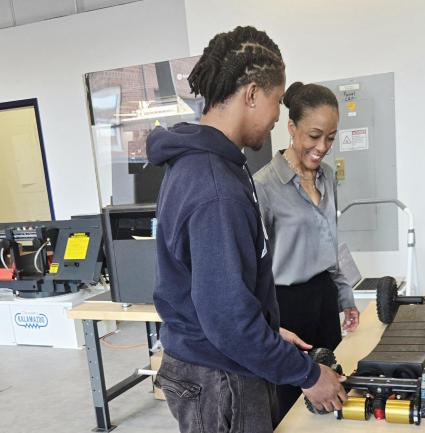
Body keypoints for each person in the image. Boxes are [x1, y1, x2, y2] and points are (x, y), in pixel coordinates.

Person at [147, 27, 346, 433]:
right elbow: (228, 322)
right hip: (219, 376)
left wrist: (270, 332)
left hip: (213, 361)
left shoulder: (205, 166)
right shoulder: (216, 187)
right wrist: (308, 376)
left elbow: (221, 291)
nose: (276, 116)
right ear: (252, 94)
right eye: (275, 102)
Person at [254, 81, 360, 422]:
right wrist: (266, 325)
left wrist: (345, 296)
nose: (323, 146)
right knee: (291, 406)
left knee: (333, 390)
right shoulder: (264, 186)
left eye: (330, 137)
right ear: (291, 127)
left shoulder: (328, 177)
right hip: (286, 306)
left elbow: (332, 241)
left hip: (324, 299)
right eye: (315, 135)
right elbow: (253, 266)